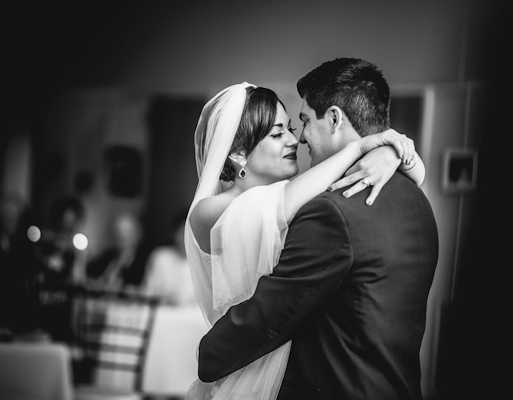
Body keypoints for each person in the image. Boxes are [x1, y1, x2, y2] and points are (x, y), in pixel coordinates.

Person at [185, 66, 432, 400]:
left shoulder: (320, 203)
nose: (296, 139)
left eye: (295, 125)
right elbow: (280, 206)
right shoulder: (212, 211)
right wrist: (365, 148)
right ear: (239, 153)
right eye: (278, 134)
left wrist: (390, 151)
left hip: (280, 363)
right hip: (250, 364)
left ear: (333, 118)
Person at [141, 210, 197, 306]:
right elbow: (148, 290)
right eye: (182, 233)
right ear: (173, 234)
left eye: (190, 234)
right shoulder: (160, 256)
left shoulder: (202, 263)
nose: (185, 238)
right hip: (162, 311)